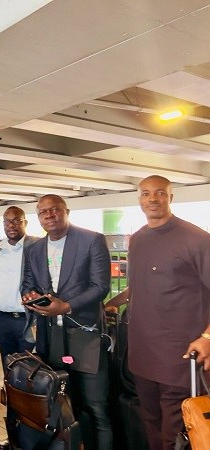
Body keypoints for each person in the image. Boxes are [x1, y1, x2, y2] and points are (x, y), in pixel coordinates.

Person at [22, 194, 112, 450]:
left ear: (66, 211)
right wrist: (29, 297)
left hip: (85, 337)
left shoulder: (91, 240)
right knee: (60, 403)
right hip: (50, 338)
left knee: (96, 407)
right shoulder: (34, 249)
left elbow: (100, 286)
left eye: (55, 210)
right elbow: (28, 284)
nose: (49, 215)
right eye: (42, 212)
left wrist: (67, 306)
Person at [127, 175, 210, 450]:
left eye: (160, 193)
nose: (153, 199)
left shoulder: (197, 239)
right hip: (142, 356)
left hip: (180, 358)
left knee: (176, 434)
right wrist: (111, 303)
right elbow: (138, 286)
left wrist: (208, 337)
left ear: (171, 197)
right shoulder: (137, 239)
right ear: (139, 199)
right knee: (149, 423)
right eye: (147, 193)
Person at [0, 206, 39, 365]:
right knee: (8, 365)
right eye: (7, 221)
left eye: (16, 221)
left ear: (25, 222)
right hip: (3, 319)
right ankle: (9, 391)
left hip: (28, 319)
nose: (11, 225)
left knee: (28, 366)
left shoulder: (37, 246)